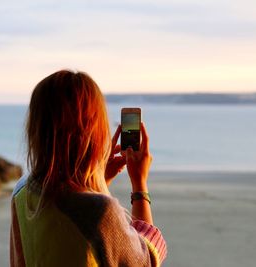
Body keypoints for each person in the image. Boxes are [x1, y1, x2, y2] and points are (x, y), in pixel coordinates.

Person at [10, 70, 167, 267]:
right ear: (94, 130)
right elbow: (146, 260)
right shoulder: (100, 212)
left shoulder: (22, 193)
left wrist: (100, 179)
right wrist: (139, 184)